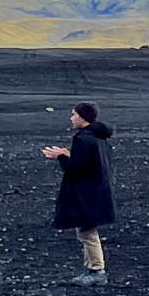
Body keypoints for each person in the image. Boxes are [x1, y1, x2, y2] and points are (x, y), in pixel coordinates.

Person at [42, 102, 115, 285]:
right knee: (87, 231)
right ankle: (92, 270)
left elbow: (75, 169)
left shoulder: (83, 139)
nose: (71, 118)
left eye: (74, 114)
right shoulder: (99, 138)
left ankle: (96, 271)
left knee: (87, 232)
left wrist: (60, 157)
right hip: (97, 192)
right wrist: (68, 155)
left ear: (83, 117)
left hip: (86, 194)